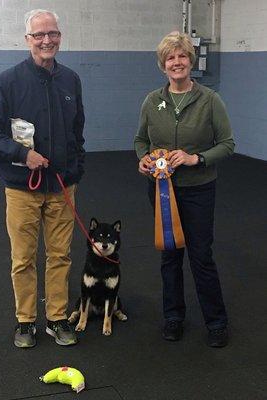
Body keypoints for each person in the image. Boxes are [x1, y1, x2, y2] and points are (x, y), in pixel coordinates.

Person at [0, 9, 85, 348]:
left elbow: (77, 131)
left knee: (60, 255)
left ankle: (56, 317)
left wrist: (76, 167)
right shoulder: (6, 82)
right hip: (22, 188)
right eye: (39, 35)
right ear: (28, 40)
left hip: (63, 186)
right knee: (23, 259)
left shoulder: (71, 80)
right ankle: (25, 321)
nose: (46, 40)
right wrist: (23, 155)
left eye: (52, 33)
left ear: (60, 37)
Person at [134, 31, 235, 347]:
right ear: (162, 65)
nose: (176, 62)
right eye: (170, 58)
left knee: (202, 257)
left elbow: (227, 144)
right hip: (162, 190)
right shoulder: (152, 101)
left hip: (199, 190)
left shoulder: (210, 100)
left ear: (190, 61)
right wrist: (143, 159)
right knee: (170, 257)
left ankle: (216, 322)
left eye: (181, 56)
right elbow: (141, 140)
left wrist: (196, 158)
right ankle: (173, 317)